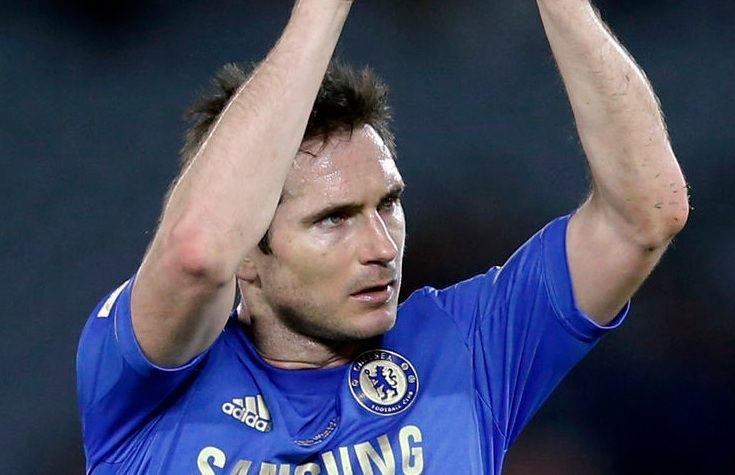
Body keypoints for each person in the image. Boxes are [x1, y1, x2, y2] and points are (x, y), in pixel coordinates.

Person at [76, 1, 689, 474]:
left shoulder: (469, 346)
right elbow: (196, 253)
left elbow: (645, 214)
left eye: (388, 204)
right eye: (334, 218)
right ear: (248, 257)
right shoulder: (144, 382)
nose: (381, 247)